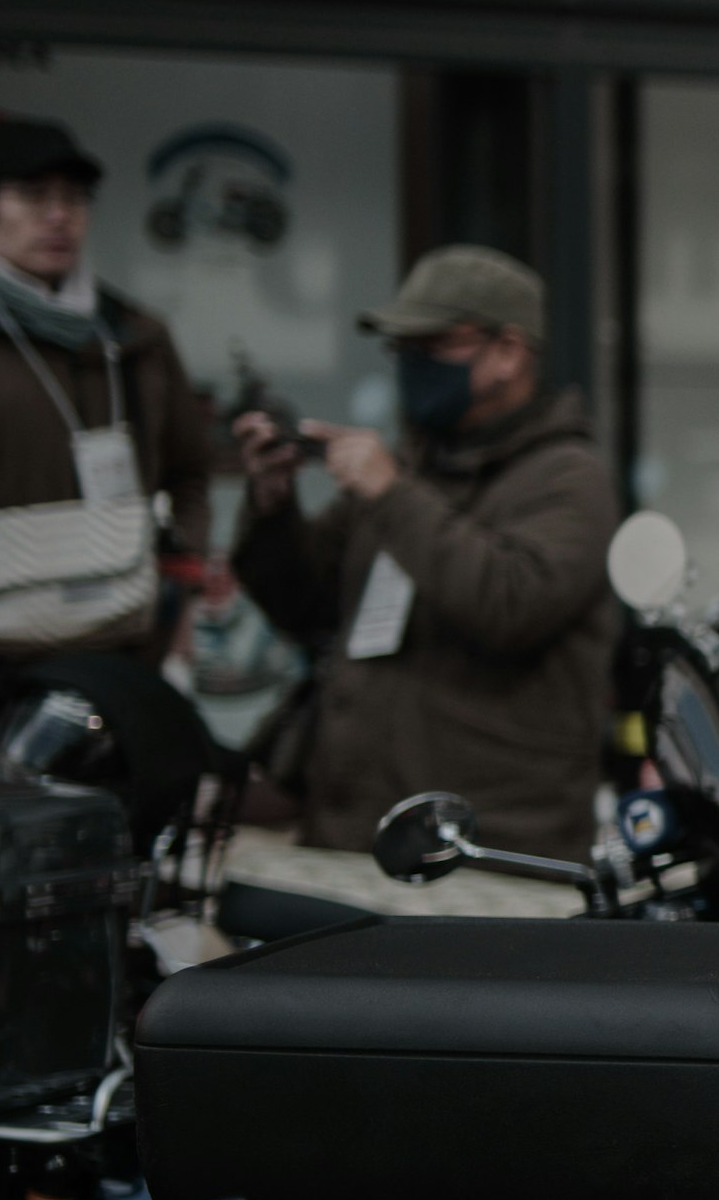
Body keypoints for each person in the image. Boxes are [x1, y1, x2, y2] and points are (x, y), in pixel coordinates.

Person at [230, 244, 617, 863]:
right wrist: (272, 505)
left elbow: (511, 606)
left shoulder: (569, 477)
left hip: (487, 847)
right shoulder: (413, 466)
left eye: (434, 346)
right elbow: (306, 604)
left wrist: (391, 494)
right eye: (403, 347)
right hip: (359, 833)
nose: (412, 364)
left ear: (509, 353)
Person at [0, 117, 213, 721]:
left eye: (73, 198)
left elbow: (189, 474)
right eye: (32, 196)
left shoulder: (135, 335)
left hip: (122, 656)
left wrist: (176, 590)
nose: (58, 216)